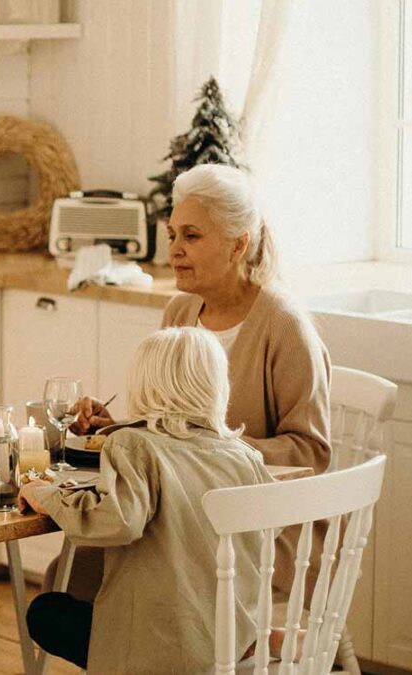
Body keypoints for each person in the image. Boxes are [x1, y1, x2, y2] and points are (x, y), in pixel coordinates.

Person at [66, 163, 332, 597]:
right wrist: (114, 426)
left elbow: (311, 453)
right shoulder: (179, 313)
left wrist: (212, 449)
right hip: (185, 513)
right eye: (172, 235)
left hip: (257, 528)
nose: (174, 250)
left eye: (191, 236)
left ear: (238, 244)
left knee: (116, 572)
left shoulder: (284, 327)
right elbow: (167, 426)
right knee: (76, 568)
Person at [20, 327, 275, 673]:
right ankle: (269, 637)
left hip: (165, 652)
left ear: (143, 385)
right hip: (232, 642)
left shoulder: (134, 445)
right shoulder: (243, 455)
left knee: (46, 612)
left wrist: (46, 495)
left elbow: (115, 521)